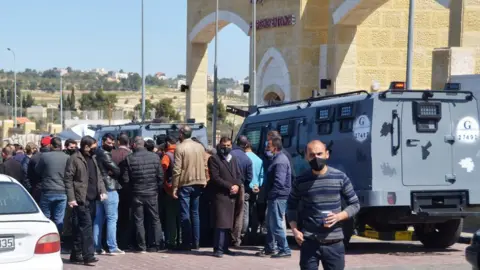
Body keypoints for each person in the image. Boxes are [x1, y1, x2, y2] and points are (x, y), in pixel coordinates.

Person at [287, 140, 360, 270]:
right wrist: (294, 230)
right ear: (306, 157)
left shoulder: (340, 177)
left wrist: (338, 216)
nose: (316, 158)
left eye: (319, 154)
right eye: (312, 155)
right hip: (309, 243)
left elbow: (355, 204)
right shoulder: (301, 180)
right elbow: (291, 206)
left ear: (327, 154)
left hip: (334, 244)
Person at [64, 135, 107, 266]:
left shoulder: (93, 158)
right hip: (81, 198)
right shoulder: (74, 159)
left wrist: (102, 190)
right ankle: (88, 255)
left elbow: (98, 176)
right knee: (87, 226)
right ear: (86, 146)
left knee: (80, 227)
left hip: (93, 198)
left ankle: (76, 254)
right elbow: (68, 179)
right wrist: (71, 198)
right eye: (94, 147)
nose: (96, 149)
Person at [122, 137, 166, 253]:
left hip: (137, 193)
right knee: (155, 219)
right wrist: (157, 189)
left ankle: (142, 246)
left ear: (135, 145)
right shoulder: (155, 157)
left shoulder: (129, 158)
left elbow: (126, 180)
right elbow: (161, 176)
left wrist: (131, 191)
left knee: (139, 220)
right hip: (152, 192)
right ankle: (157, 244)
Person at [172, 125, 208, 251]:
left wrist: (175, 187)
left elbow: (177, 169)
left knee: (185, 213)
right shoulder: (200, 147)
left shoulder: (180, 148)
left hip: (185, 183)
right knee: (195, 213)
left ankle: (186, 242)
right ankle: (196, 242)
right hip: (198, 182)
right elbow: (205, 165)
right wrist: (205, 179)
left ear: (181, 134)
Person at [256, 137, 292, 258]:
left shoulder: (280, 161)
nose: (266, 149)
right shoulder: (276, 159)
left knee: (276, 224)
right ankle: (272, 248)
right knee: (271, 224)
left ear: (275, 148)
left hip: (277, 197)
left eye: (268, 147)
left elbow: (279, 182)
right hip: (275, 197)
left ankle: (284, 249)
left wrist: (271, 195)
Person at [208, 136, 242, 258]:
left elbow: (238, 175)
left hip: (232, 195)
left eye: (228, 145)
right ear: (219, 145)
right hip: (221, 195)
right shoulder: (214, 159)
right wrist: (229, 186)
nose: (226, 148)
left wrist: (237, 185)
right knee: (220, 223)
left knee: (229, 224)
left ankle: (226, 247)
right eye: (224, 145)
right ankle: (218, 248)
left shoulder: (233, 159)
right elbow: (215, 178)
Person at [93, 133, 124, 255]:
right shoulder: (105, 154)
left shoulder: (96, 153)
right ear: (103, 141)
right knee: (112, 218)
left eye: (112, 143)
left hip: (99, 188)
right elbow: (117, 170)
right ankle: (112, 246)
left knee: (98, 219)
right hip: (109, 188)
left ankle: (97, 246)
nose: (111, 145)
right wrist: (112, 172)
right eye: (109, 143)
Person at [35, 137, 70, 234]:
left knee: (46, 218)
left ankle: (46, 238)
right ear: (61, 146)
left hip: (47, 190)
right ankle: (58, 240)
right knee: (59, 219)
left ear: (51, 145)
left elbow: (37, 171)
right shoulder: (67, 157)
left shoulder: (45, 156)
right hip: (62, 191)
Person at [229, 135, 253, 247]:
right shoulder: (247, 159)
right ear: (246, 145)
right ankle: (236, 239)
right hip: (241, 187)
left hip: (228, 186)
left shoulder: (229, 155)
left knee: (228, 212)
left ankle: (226, 237)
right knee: (239, 214)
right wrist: (243, 186)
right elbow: (249, 177)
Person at [111, 133, 132, 251]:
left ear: (118, 142)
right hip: (128, 189)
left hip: (114, 187)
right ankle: (125, 241)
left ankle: (115, 239)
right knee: (126, 215)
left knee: (114, 216)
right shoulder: (131, 154)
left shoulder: (112, 154)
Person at [161, 135, 181, 250]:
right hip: (182, 188)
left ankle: (172, 241)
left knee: (171, 217)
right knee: (182, 216)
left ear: (168, 143)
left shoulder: (167, 156)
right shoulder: (182, 153)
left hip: (169, 190)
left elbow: (162, 170)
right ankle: (182, 240)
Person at [244, 138, 264, 240]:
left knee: (245, 212)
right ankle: (254, 233)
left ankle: (245, 233)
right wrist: (258, 185)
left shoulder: (243, 158)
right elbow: (262, 176)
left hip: (246, 188)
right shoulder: (259, 160)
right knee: (254, 211)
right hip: (256, 188)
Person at [29, 136, 52, 201]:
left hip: (36, 189)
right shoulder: (52, 157)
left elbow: (29, 175)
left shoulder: (34, 157)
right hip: (49, 189)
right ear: (49, 145)